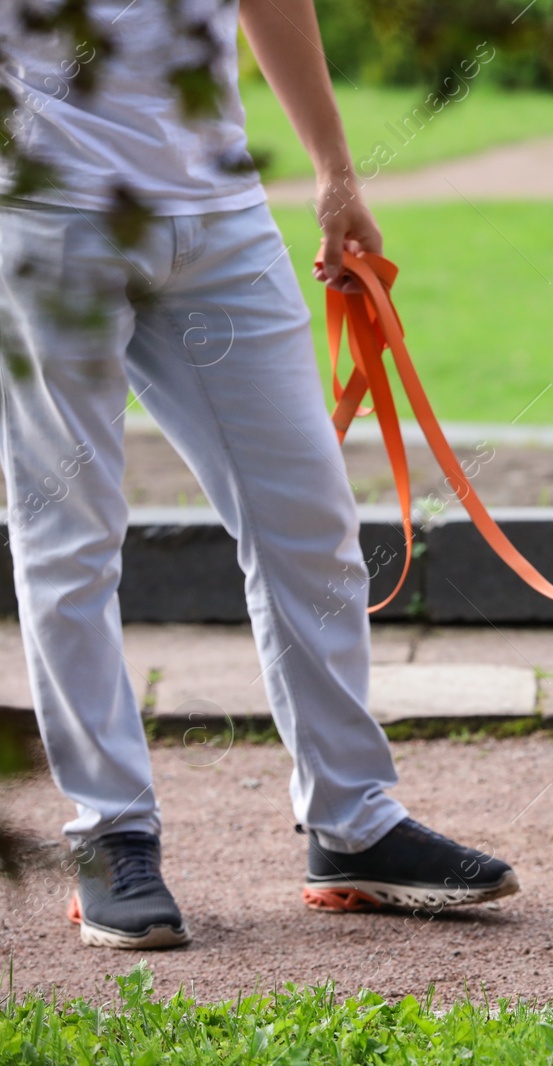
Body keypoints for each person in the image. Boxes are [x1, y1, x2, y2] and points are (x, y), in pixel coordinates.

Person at [0, 0, 517, 949]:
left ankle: (353, 824)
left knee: (309, 522)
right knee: (68, 533)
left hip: (218, 216)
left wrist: (334, 173)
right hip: (48, 213)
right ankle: (108, 830)